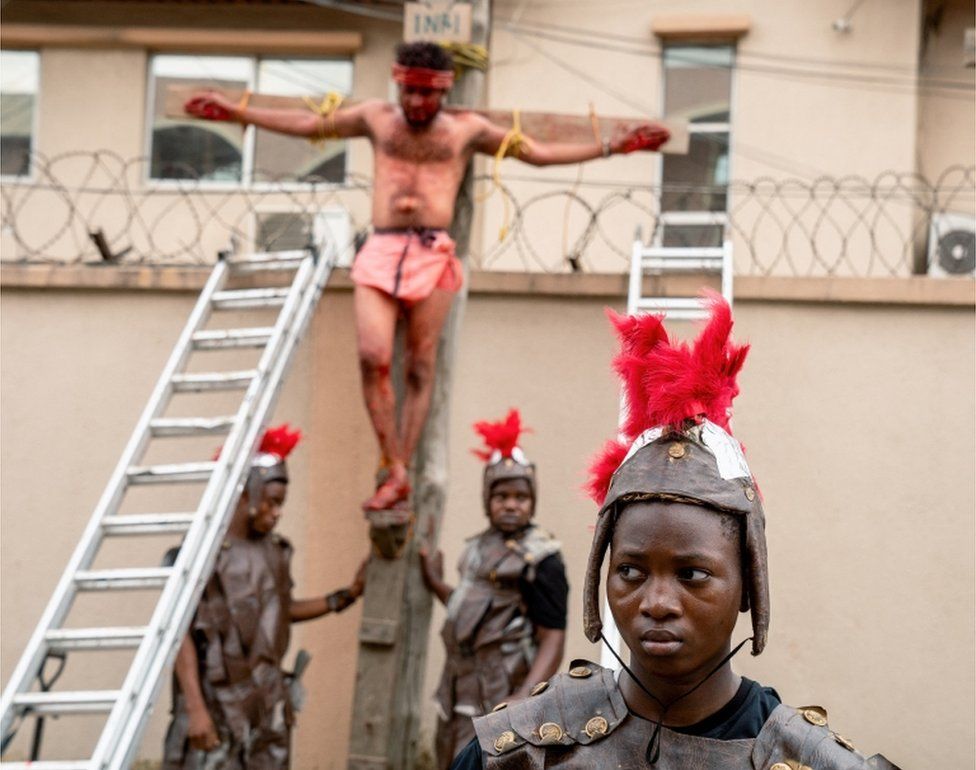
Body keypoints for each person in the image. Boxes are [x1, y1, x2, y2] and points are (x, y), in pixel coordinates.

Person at [184, 42, 671, 512]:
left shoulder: (465, 129)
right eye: (410, 91)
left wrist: (614, 145)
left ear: (445, 90)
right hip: (380, 248)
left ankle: (399, 472)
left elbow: (537, 153)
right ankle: (394, 464)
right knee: (372, 356)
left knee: (420, 367)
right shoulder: (375, 117)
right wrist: (236, 112)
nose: (417, 102)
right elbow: (310, 123)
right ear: (398, 86)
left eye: (428, 93)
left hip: (432, 252)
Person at [452, 298, 901, 769]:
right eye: (630, 571)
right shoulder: (517, 752)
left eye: (691, 574)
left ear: (748, 582)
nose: (656, 602)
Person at [162, 424, 367, 769]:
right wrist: (196, 710)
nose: (278, 512)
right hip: (216, 704)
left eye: (281, 503)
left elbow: (283, 611)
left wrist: (344, 597)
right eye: (272, 502)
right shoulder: (201, 554)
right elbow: (178, 634)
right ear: (246, 494)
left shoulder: (275, 552)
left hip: (266, 703)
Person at [419, 409, 568, 770]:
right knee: (450, 758)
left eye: (520, 496)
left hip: (505, 689)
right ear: (488, 499)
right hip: (458, 685)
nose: (511, 504)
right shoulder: (476, 548)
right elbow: (469, 608)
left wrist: (526, 695)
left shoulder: (542, 557)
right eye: (501, 496)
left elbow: (553, 636)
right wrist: (436, 582)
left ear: (532, 500)